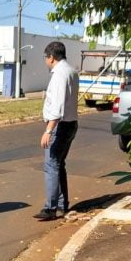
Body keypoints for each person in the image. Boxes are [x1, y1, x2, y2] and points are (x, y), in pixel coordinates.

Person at [33, 41, 79, 221]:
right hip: (71, 123)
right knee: (59, 164)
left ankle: (50, 208)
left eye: (45, 57)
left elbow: (58, 106)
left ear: (51, 57)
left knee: (51, 165)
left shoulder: (60, 74)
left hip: (60, 125)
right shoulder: (71, 71)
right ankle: (61, 204)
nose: (45, 61)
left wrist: (48, 130)